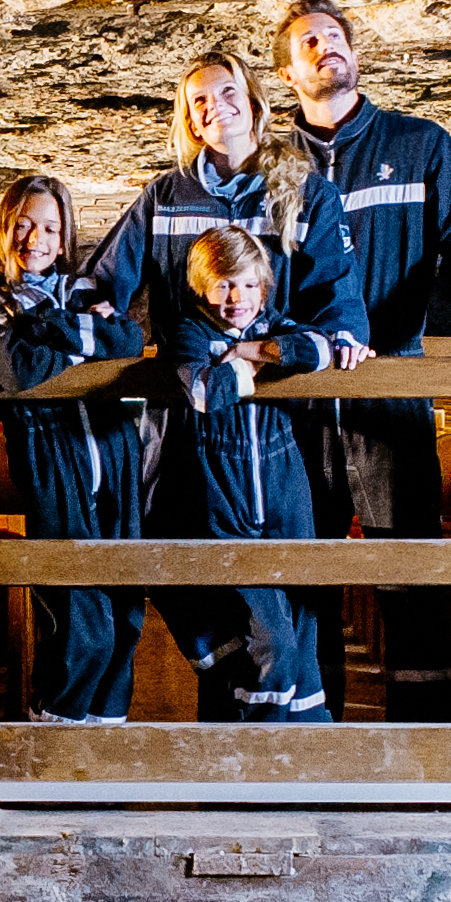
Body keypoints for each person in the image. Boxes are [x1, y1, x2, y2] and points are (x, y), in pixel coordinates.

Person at [85, 53, 365, 717]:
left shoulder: (302, 189)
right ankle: (228, 746)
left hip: (279, 429)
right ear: (188, 119)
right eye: (199, 100)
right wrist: (86, 314)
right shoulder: (164, 197)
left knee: (287, 601)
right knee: (207, 583)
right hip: (190, 425)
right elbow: (104, 281)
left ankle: (293, 743)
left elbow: (338, 301)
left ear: (256, 101)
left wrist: (291, 346)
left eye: (228, 91)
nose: (216, 107)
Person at [270, 0, 451, 720]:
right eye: (308, 42)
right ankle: (310, 734)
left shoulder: (419, 145)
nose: (326, 47)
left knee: (410, 569)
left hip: (393, 389)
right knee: (302, 571)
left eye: (334, 36)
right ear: (287, 74)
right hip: (299, 394)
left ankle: (422, 741)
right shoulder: (270, 164)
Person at [0, 177, 147, 724]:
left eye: (49, 228)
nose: (34, 239)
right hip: (51, 453)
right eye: (22, 225)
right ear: (3, 229)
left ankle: (105, 734)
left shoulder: (80, 290)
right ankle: (55, 730)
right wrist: (86, 346)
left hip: (113, 446)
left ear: (64, 237)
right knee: (80, 615)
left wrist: (48, 328)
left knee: (124, 604)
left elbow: (130, 342)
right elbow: (19, 371)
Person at [158, 230, 330, 723]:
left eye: (250, 285)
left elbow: (319, 347)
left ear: (265, 287)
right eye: (224, 285)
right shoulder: (191, 332)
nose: (238, 298)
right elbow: (202, 392)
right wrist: (248, 368)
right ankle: (260, 745)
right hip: (224, 492)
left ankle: (306, 742)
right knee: (270, 636)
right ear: (201, 286)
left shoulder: (272, 326)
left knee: (302, 622)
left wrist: (252, 352)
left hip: (284, 488)